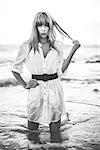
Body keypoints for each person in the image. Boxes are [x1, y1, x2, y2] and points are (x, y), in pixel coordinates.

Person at [11, 11, 80, 144]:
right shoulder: (27, 46)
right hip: (36, 90)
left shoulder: (57, 45)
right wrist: (25, 84)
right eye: (40, 25)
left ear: (50, 27)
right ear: (35, 27)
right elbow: (15, 68)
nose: (43, 29)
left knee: (55, 131)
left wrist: (73, 51)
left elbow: (61, 70)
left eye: (46, 25)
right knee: (32, 130)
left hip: (55, 88)